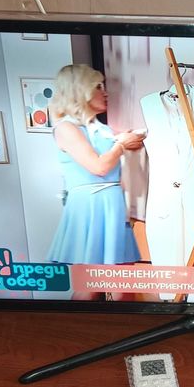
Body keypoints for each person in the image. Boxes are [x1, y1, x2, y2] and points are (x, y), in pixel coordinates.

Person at [47, 64, 145, 276]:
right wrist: (121, 145)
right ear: (81, 91)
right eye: (98, 87)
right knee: (90, 285)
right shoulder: (66, 128)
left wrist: (130, 139)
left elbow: (124, 145)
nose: (105, 92)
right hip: (88, 207)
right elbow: (99, 167)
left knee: (123, 282)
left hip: (113, 204)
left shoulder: (102, 129)